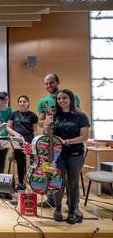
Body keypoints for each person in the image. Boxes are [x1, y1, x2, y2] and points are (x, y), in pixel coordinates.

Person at [44, 89, 89, 224]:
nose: (61, 101)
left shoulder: (81, 116)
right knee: (58, 181)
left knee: (73, 183)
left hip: (75, 154)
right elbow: (46, 134)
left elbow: (84, 136)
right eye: (58, 99)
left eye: (64, 98)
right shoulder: (54, 115)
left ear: (71, 99)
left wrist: (68, 141)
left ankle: (72, 211)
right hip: (58, 154)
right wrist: (47, 125)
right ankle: (57, 209)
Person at [37, 73, 81, 207]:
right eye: (46, 83)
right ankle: (52, 201)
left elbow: (78, 115)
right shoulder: (43, 102)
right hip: (53, 144)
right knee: (52, 173)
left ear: (58, 82)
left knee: (71, 178)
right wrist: (47, 122)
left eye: (51, 82)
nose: (49, 86)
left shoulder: (71, 97)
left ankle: (73, 204)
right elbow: (40, 121)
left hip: (72, 143)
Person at [6, 95, 38, 190]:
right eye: (20, 101)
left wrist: (34, 144)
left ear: (28, 103)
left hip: (29, 142)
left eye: (24, 101)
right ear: (18, 103)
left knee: (28, 164)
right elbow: (7, 127)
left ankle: (28, 184)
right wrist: (15, 133)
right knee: (20, 164)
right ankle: (20, 184)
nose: (22, 103)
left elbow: (35, 131)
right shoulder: (13, 114)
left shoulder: (33, 115)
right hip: (17, 142)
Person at [0, 91, 13, 174]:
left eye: (7, 99)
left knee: (2, 160)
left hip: (6, 138)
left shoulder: (11, 111)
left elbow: (11, 127)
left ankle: (0, 179)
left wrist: (6, 140)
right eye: (3, 99)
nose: (5, 101)